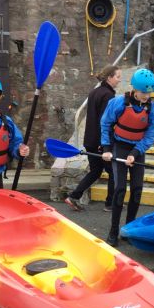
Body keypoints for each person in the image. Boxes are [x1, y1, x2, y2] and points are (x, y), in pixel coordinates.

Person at [100, 68, 154, 247]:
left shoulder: (153, 109)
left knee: (137, 189)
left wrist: (135, 153)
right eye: (143, 92)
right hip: (119, 147)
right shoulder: (118, 103)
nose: (146, 96)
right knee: (119, 189)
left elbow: (150, 136)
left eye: (149, 92)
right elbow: (105, 123)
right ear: (134, 89)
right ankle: (113, 231)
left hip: (137, 150)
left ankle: (129, 229)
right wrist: (106, 148)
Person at [64, 65, 121, 212]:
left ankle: (74, 197)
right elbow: (105, 122)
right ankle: (110, 204)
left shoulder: (94, 92)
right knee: (114, 172)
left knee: (95, 171)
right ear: (109, 78)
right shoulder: (108, 96)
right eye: (117, 77)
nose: (119, 80)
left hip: (90, 140)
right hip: (100, 142)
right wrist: (105, 145)